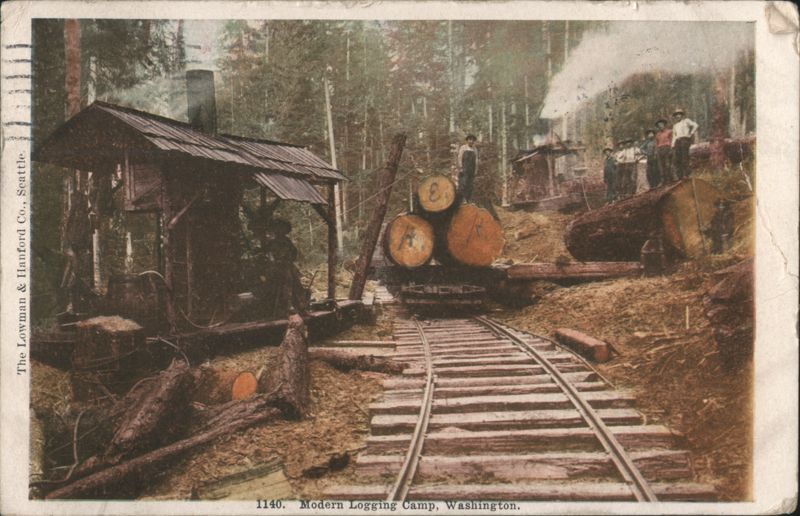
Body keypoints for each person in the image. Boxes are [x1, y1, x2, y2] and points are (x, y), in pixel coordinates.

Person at [671, 108, 699, 179]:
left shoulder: (686, 121)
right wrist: (673, 145)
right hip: (678, 141)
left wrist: (691, 133)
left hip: (684, 140)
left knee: (685, 157)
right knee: (677, 159)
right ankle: (680, 176)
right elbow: (674, 136)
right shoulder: (675, 125)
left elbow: (696, 125)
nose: (678, 116)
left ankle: (686, 174)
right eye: (676, 115)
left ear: (682, 115)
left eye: (679, 114)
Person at [456, 134, 479, 202]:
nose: (471, 141)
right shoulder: (463, 147)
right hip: (464, 169)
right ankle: (462, 199)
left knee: (470, 185)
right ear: (467, 140)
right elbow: (459, 157)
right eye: (470, 139)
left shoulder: (475, 149)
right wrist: (460, 167)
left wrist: (476, 170)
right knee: (463, 184)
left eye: (472, 140)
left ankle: (468, 199)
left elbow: (476, 160)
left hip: (471, 169)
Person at [654, 118, 675, 183]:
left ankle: (670, 179)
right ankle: (664, 180)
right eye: (659, 125)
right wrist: (656, 151)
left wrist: (671, 149)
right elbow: (657, 144)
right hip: (660, 149)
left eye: (661, 124)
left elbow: (672, 140)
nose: (660, 126)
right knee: (661, 165)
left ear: (664, 125)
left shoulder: (669, 131)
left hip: (667, 148)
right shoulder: (657, 134)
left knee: (668, 164)